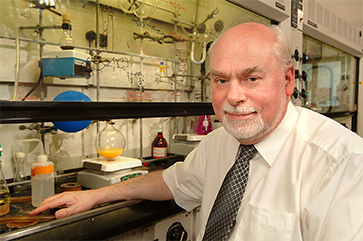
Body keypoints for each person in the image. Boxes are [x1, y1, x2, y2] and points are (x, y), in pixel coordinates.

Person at [29, 22, 363, 240]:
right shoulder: (220, 142)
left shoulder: (342, 165)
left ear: (288, 80)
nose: (233, 96)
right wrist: (95, 195)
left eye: (251, 78)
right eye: (220, 80)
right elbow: (170, 182)